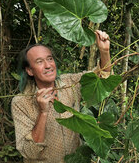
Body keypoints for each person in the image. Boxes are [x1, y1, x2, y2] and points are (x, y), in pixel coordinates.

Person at [11, 30, 111, 163]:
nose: (48, 66)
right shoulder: (21, 102)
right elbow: (30, 152)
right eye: (39, 62)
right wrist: (43, 112)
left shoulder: (69, 83)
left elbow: (101, 78)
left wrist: (104, 51)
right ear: (29, 70)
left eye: (50, 59)